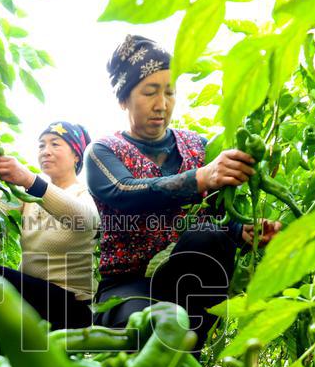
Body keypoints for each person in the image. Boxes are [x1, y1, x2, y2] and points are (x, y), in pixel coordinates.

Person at [86, 35, 282, 350]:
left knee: (209, 237)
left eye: (169, 92)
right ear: (124, 99)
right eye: (149, 92)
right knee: (138, 336)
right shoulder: (104, 151)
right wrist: (200, 179)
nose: (161, 104)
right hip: (129, 283)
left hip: (186, 280)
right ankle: (159, 355)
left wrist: (242, 232)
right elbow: (124, 191)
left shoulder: (198, 146)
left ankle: (189, 353)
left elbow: (214, 217)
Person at [0, 121, 99, 330]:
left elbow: (85, 219)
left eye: (55, 144)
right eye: (41, 145)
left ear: (76, 155)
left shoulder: (86, 193)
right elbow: (2, 204)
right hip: (32, 298)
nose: (46, 151)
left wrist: (29, 179)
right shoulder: (31, 197)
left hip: (70, 306)